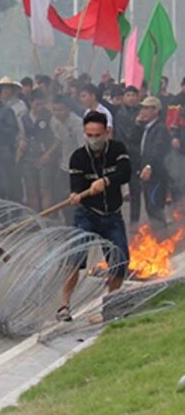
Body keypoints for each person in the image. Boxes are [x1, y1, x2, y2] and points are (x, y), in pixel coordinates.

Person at [58, 111, 132, 322]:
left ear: (106, 132)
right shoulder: (78, 157)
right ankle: (64, 305)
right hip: (87, 215)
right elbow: (77, 186)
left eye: (97, 134)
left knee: (120, 260)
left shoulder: (117, 150)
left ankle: (111, 303)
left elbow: (125, 172)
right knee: (75, 258)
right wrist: (75, 195)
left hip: (112, 216)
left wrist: (106, 181)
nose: (93, 139)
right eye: (89, 135)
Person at [128, 96, 170, 230]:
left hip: (156, 176)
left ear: (156, 110)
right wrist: (136, 124)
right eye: (142, 108)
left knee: (155, 207)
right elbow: (132, 140)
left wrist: (149, 166)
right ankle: (157, 238)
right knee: (149, 207)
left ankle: (162, 238)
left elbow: (158, 150)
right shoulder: (146, 127)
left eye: (146, 108)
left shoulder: (160, 129)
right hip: (146, 175)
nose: (143, 111)